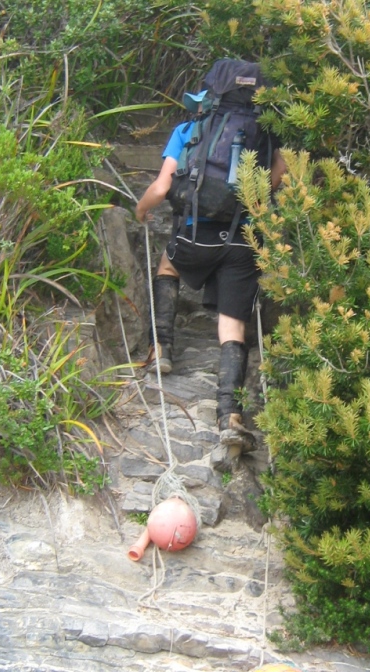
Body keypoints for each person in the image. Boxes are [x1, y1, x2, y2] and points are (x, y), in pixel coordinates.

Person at [135, 61, 286, 457]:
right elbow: (278, 178)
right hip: (242, 238)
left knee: (168, 265)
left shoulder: (190, 130)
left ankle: (160, 349)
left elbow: (162, 185)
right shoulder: (266, 138)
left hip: (196, 231)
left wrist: (140, 211)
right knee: (232, 325)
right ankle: (230, 417)